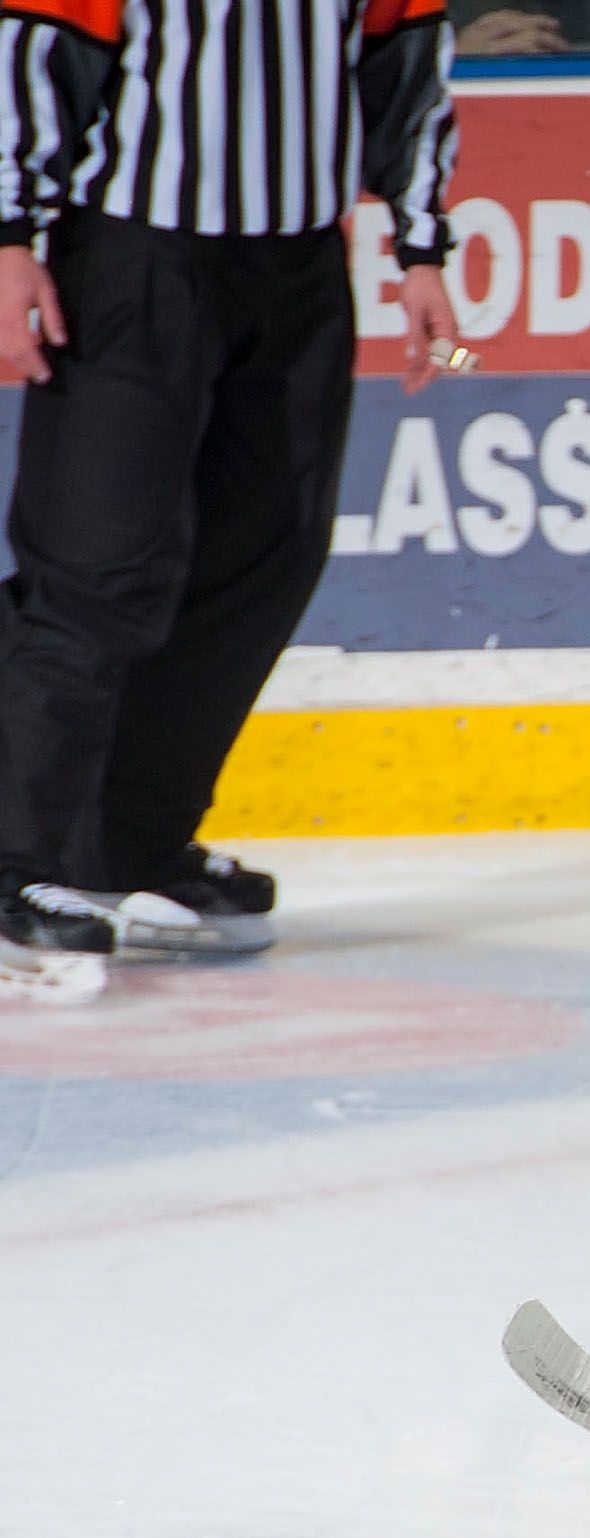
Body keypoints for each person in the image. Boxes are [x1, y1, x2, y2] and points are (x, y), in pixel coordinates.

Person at [0, 0, 462, 1000]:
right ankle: (12, 861)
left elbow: (404, 64)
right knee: (95, 567)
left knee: (264, 557)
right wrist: (7, 238)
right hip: (128, 256)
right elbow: (30, 54)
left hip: (297, 268)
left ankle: (127, 844)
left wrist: (422, 250)